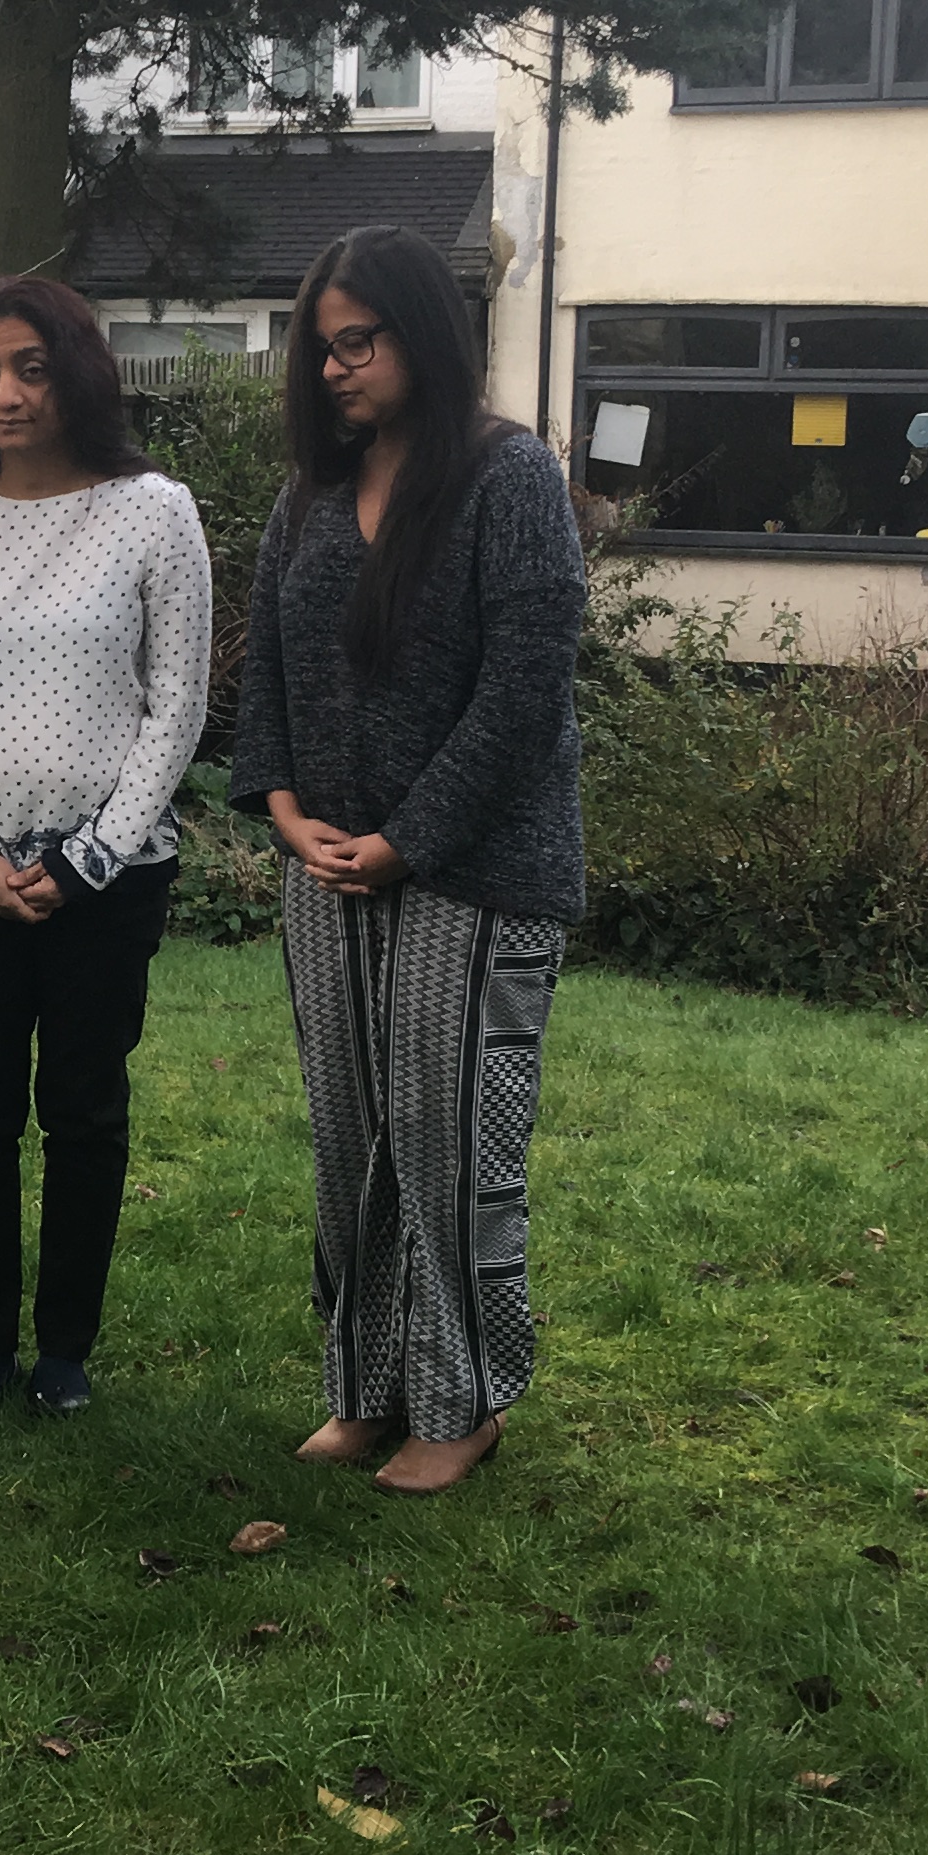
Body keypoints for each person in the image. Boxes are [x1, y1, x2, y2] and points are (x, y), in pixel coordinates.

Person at [231, 227, 586, 1497]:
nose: (333, 370)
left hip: (476, 874)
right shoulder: (311, 496)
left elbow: (525, 690)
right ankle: (367, 1390)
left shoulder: (510, 478)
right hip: (326, 867)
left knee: (445, 1140)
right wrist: (279, 804)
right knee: (352, 1138)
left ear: (423, 337)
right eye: (320, 348)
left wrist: (407, 841)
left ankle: (467, 1402)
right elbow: (265, 659)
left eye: (358, 343)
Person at [0, 275, 212, 1420]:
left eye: (27, 367)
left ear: (77, 371)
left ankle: (63, 1350)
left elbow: (178, 705)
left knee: (82, 1108)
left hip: (105, 885)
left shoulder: (155, 510)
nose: (5, 394)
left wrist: (88, 861)